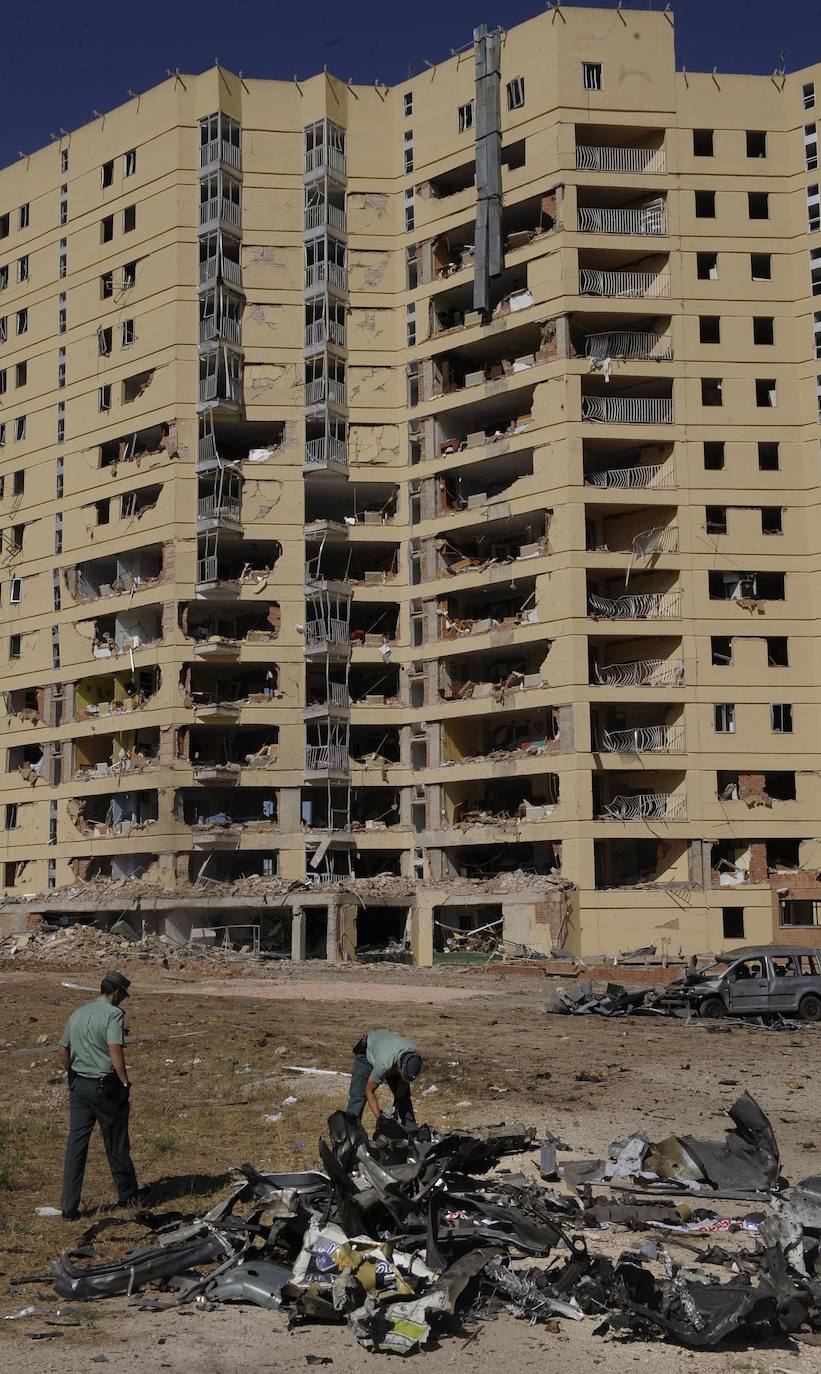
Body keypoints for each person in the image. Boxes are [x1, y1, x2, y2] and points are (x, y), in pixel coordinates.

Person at [57, 970, 139, 1219]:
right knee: (116, 1141)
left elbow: (62, 1048)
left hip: (79, 1086)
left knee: (76, 1145)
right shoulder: (113, 1014)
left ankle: (69, 1208)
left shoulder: (78, 1013)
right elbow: (114, 1047)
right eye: (124, 994)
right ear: (116, 992)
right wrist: (124, 1082)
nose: (124, 998)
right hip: (105, 1086)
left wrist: (71, 1072)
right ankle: (127, 1197)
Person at [346, 1028, 423, 1132]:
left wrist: (396, 1105)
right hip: (368, 1050)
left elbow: (404, 1083)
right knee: (358, 1096)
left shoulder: (414, 1057)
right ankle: (350, 1133)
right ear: (399, 1066)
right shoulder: (384, 1065)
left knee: (404, 1096)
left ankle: (412, 1131)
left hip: (391, 1052)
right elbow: (369, 1091)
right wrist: (380, 1118)